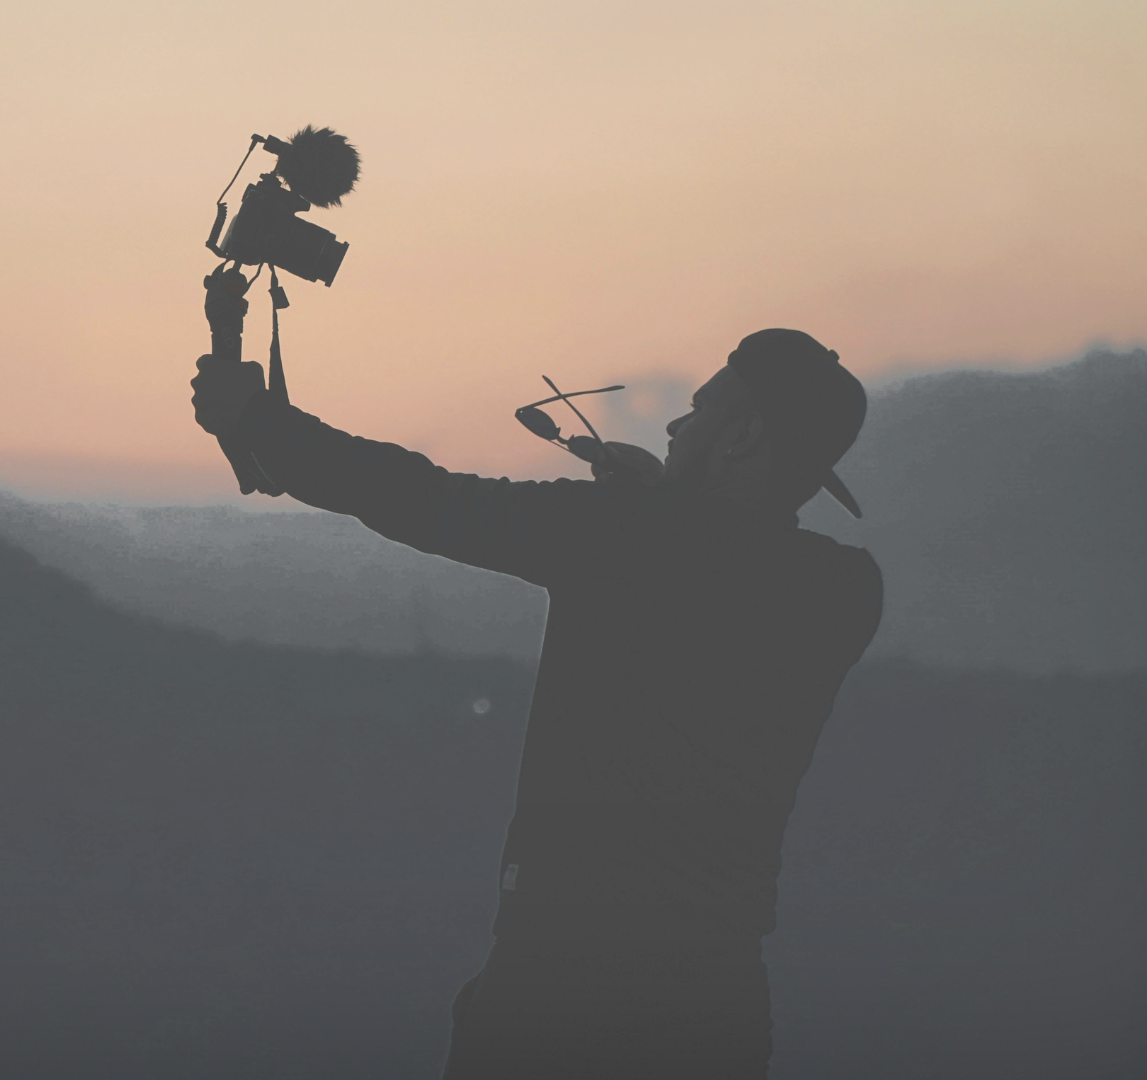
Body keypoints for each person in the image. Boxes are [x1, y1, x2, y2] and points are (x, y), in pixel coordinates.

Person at [190, 328, 883, 1078]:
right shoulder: (844, 590)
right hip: (718, 999)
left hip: (563, 987)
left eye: (698, 411)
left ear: (742, 435)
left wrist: (257, 422)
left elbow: (421, 497)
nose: (677, 427)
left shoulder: (620, 534)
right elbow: (719, 556)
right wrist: (661, 498)